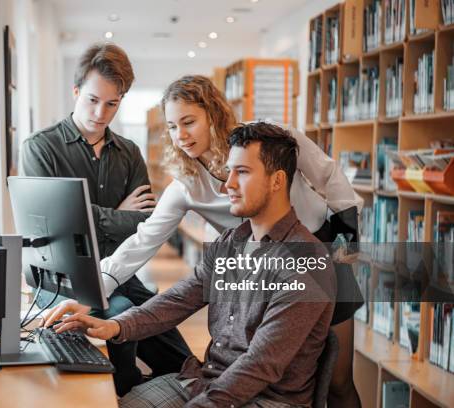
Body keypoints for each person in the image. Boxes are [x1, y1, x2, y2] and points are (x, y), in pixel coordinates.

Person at [43, 75, 363, 406]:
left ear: (213, 113)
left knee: (337, 381)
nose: (180, 135)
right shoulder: (188, 183)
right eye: (172, 126)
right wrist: (90, 292)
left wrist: (345, 246)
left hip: (318, 251)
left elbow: (330, 178)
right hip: (250, 257)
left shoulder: (268, 140)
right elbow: (143, 241)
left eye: (189, 122)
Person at [20, 43, 191, 396]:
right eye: (93, 100)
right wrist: (119, 214)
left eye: (112, 103)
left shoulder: (129, 152)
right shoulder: (39, 149)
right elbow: (57, 228)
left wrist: (88, 214)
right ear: (76, 91)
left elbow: (145, 224)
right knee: (123, 313)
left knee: (184, 364)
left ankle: (137, 393)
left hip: (122, 273)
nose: (101, 113)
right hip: (66, 280)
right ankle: (122, 392)